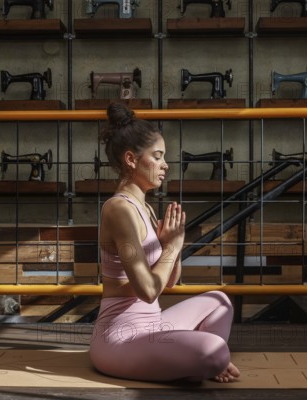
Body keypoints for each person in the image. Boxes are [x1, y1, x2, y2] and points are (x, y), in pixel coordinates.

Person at [89, 103, 240, 383]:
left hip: (154, 326)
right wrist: (171, 247)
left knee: (220, 301)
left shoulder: (146, 208)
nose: (165, 165)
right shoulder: (118, 209)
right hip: (120, 339)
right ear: (132, 159)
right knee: (217, 353)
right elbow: (147, 290)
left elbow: (169, 282)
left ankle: (191, 360)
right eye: (157, 157)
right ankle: (200, 360)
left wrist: (175, 245)